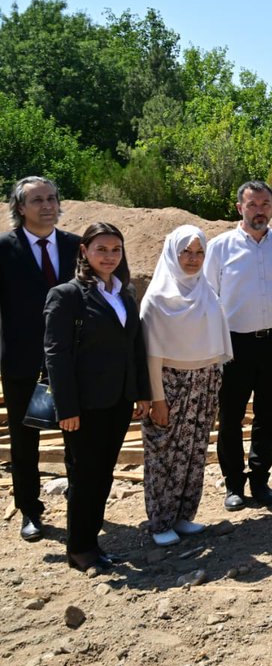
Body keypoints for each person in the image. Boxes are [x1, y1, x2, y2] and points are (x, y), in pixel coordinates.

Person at [44, 223, 150, 571]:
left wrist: (142, 393)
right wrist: (67, 407)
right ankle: (79, 549)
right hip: (84, 405)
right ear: (84, 252)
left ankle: (92, 543)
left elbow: (135, 346)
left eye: (115, 249)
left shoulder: (125, 293)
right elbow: (56, 355)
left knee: (103, 475)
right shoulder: (67, 295)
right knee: (85, 477)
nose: (109, 257)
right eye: (101, 249)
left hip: (118, 401)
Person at [204, 182, 272, 510]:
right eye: (252, 204)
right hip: (233, 346)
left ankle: (260, 480)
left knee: (266, 416)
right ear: (239, 208)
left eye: (265, 204)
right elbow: (209, 300)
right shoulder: (219, 248)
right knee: (230, 417)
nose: (259, 210)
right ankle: (234, 484)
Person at [139, 226, 232, 546]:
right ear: (172, 253)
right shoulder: (157, 298)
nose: (193, 260)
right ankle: (160, 521)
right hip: (169, 385)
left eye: (199, 253)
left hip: (203, 384)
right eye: (186, 252)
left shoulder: (206, 292)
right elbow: (151, 354)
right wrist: (157, 399)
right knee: (164, 455)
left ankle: (183, 516)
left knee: (193, 454)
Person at [0, 176, 80, 542]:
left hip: (73, 360)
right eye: (37, 200)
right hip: (22, 360)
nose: (48, 205)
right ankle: (30, 510)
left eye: (52, 198)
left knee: (76, 434)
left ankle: (82, 505)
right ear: (20, 208)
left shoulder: (76, 247)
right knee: (25, 437)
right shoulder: (4, 249)